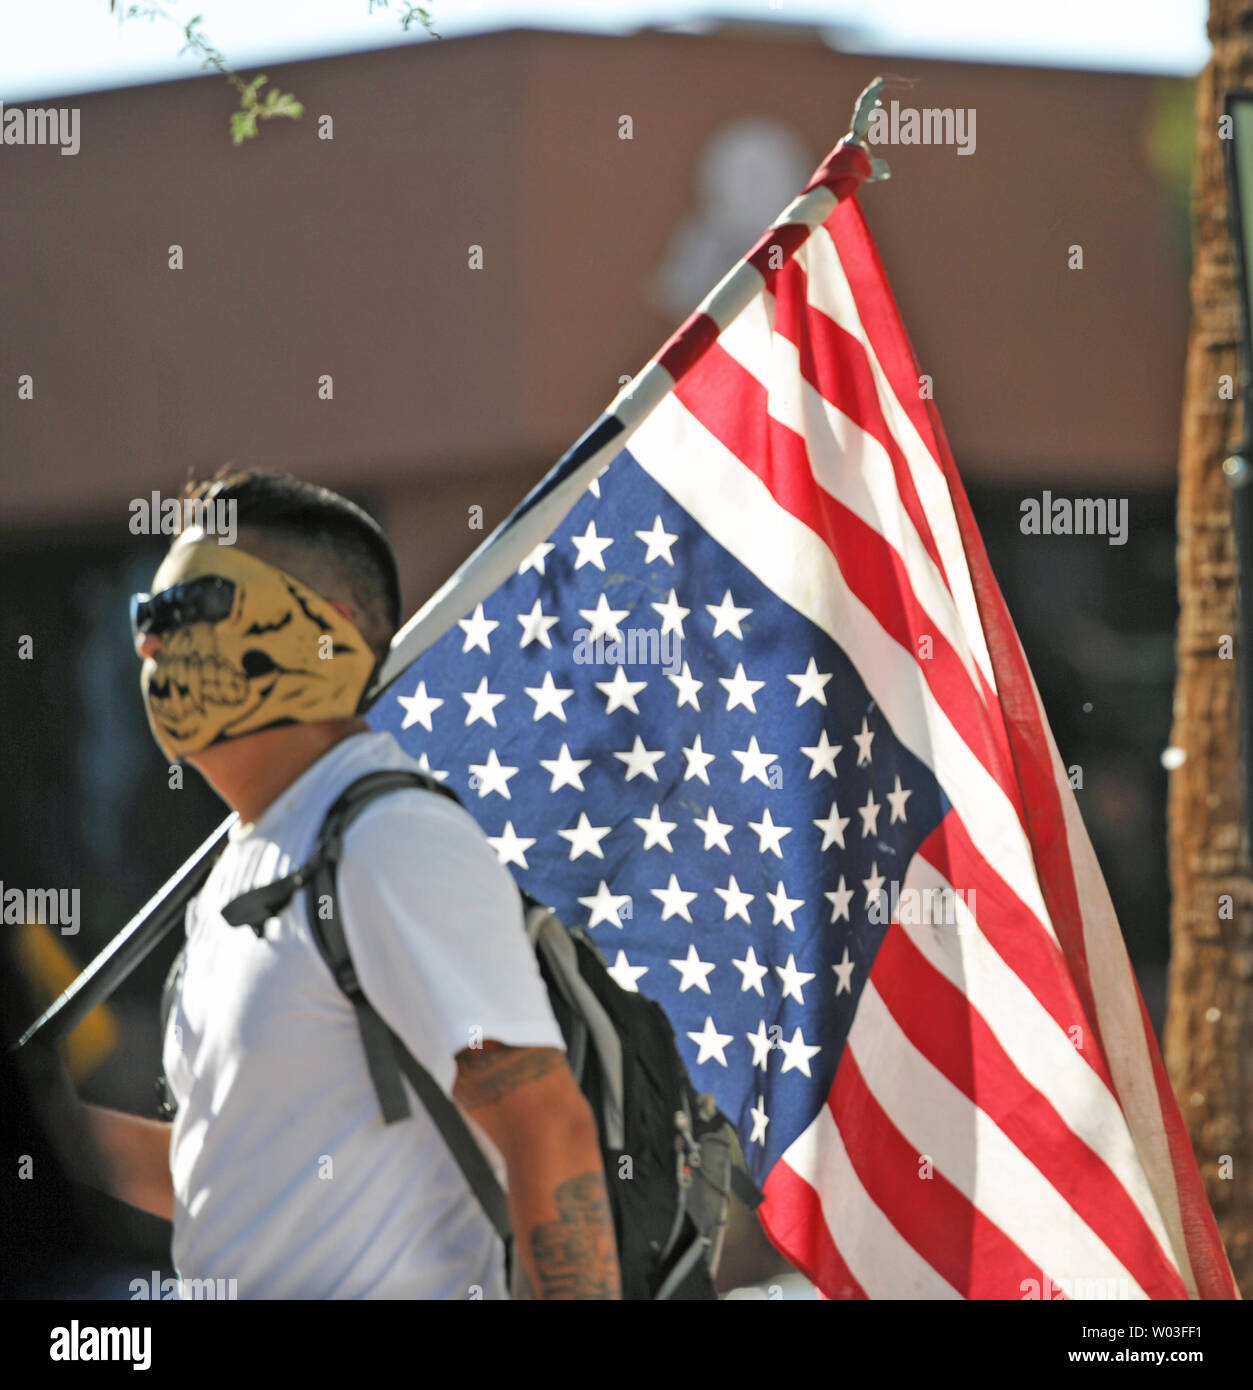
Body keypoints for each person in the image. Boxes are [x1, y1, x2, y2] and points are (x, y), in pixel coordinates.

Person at [80, 469, 621, 1300]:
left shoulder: (388, 838)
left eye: (193, 608)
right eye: (146, 619)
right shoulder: (231, 879)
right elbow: (224, 1180)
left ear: (325, 633)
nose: (155, 646)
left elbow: (543, 1124)